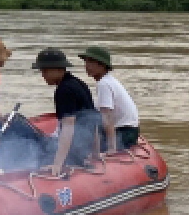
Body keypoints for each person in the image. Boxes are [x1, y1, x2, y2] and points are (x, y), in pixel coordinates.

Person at [33, 48, 102, 177]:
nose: (43, 75)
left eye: (45, 70)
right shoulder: (80, 84)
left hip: (73, 153)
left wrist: (58, 164)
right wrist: (95, 153)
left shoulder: (63, 91)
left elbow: (68, 127)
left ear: (59, 69)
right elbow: (94, 121)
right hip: (82, 150)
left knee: (31, 149)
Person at [80, 46, 140, 151]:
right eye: (86, 62)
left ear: (102, 65)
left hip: (124, 133)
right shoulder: (110, 80)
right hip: (131, 131)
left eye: (91, 62)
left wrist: (111, 149)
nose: (86, 66)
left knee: (80, 145)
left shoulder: (104, 84)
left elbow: (107, 117)